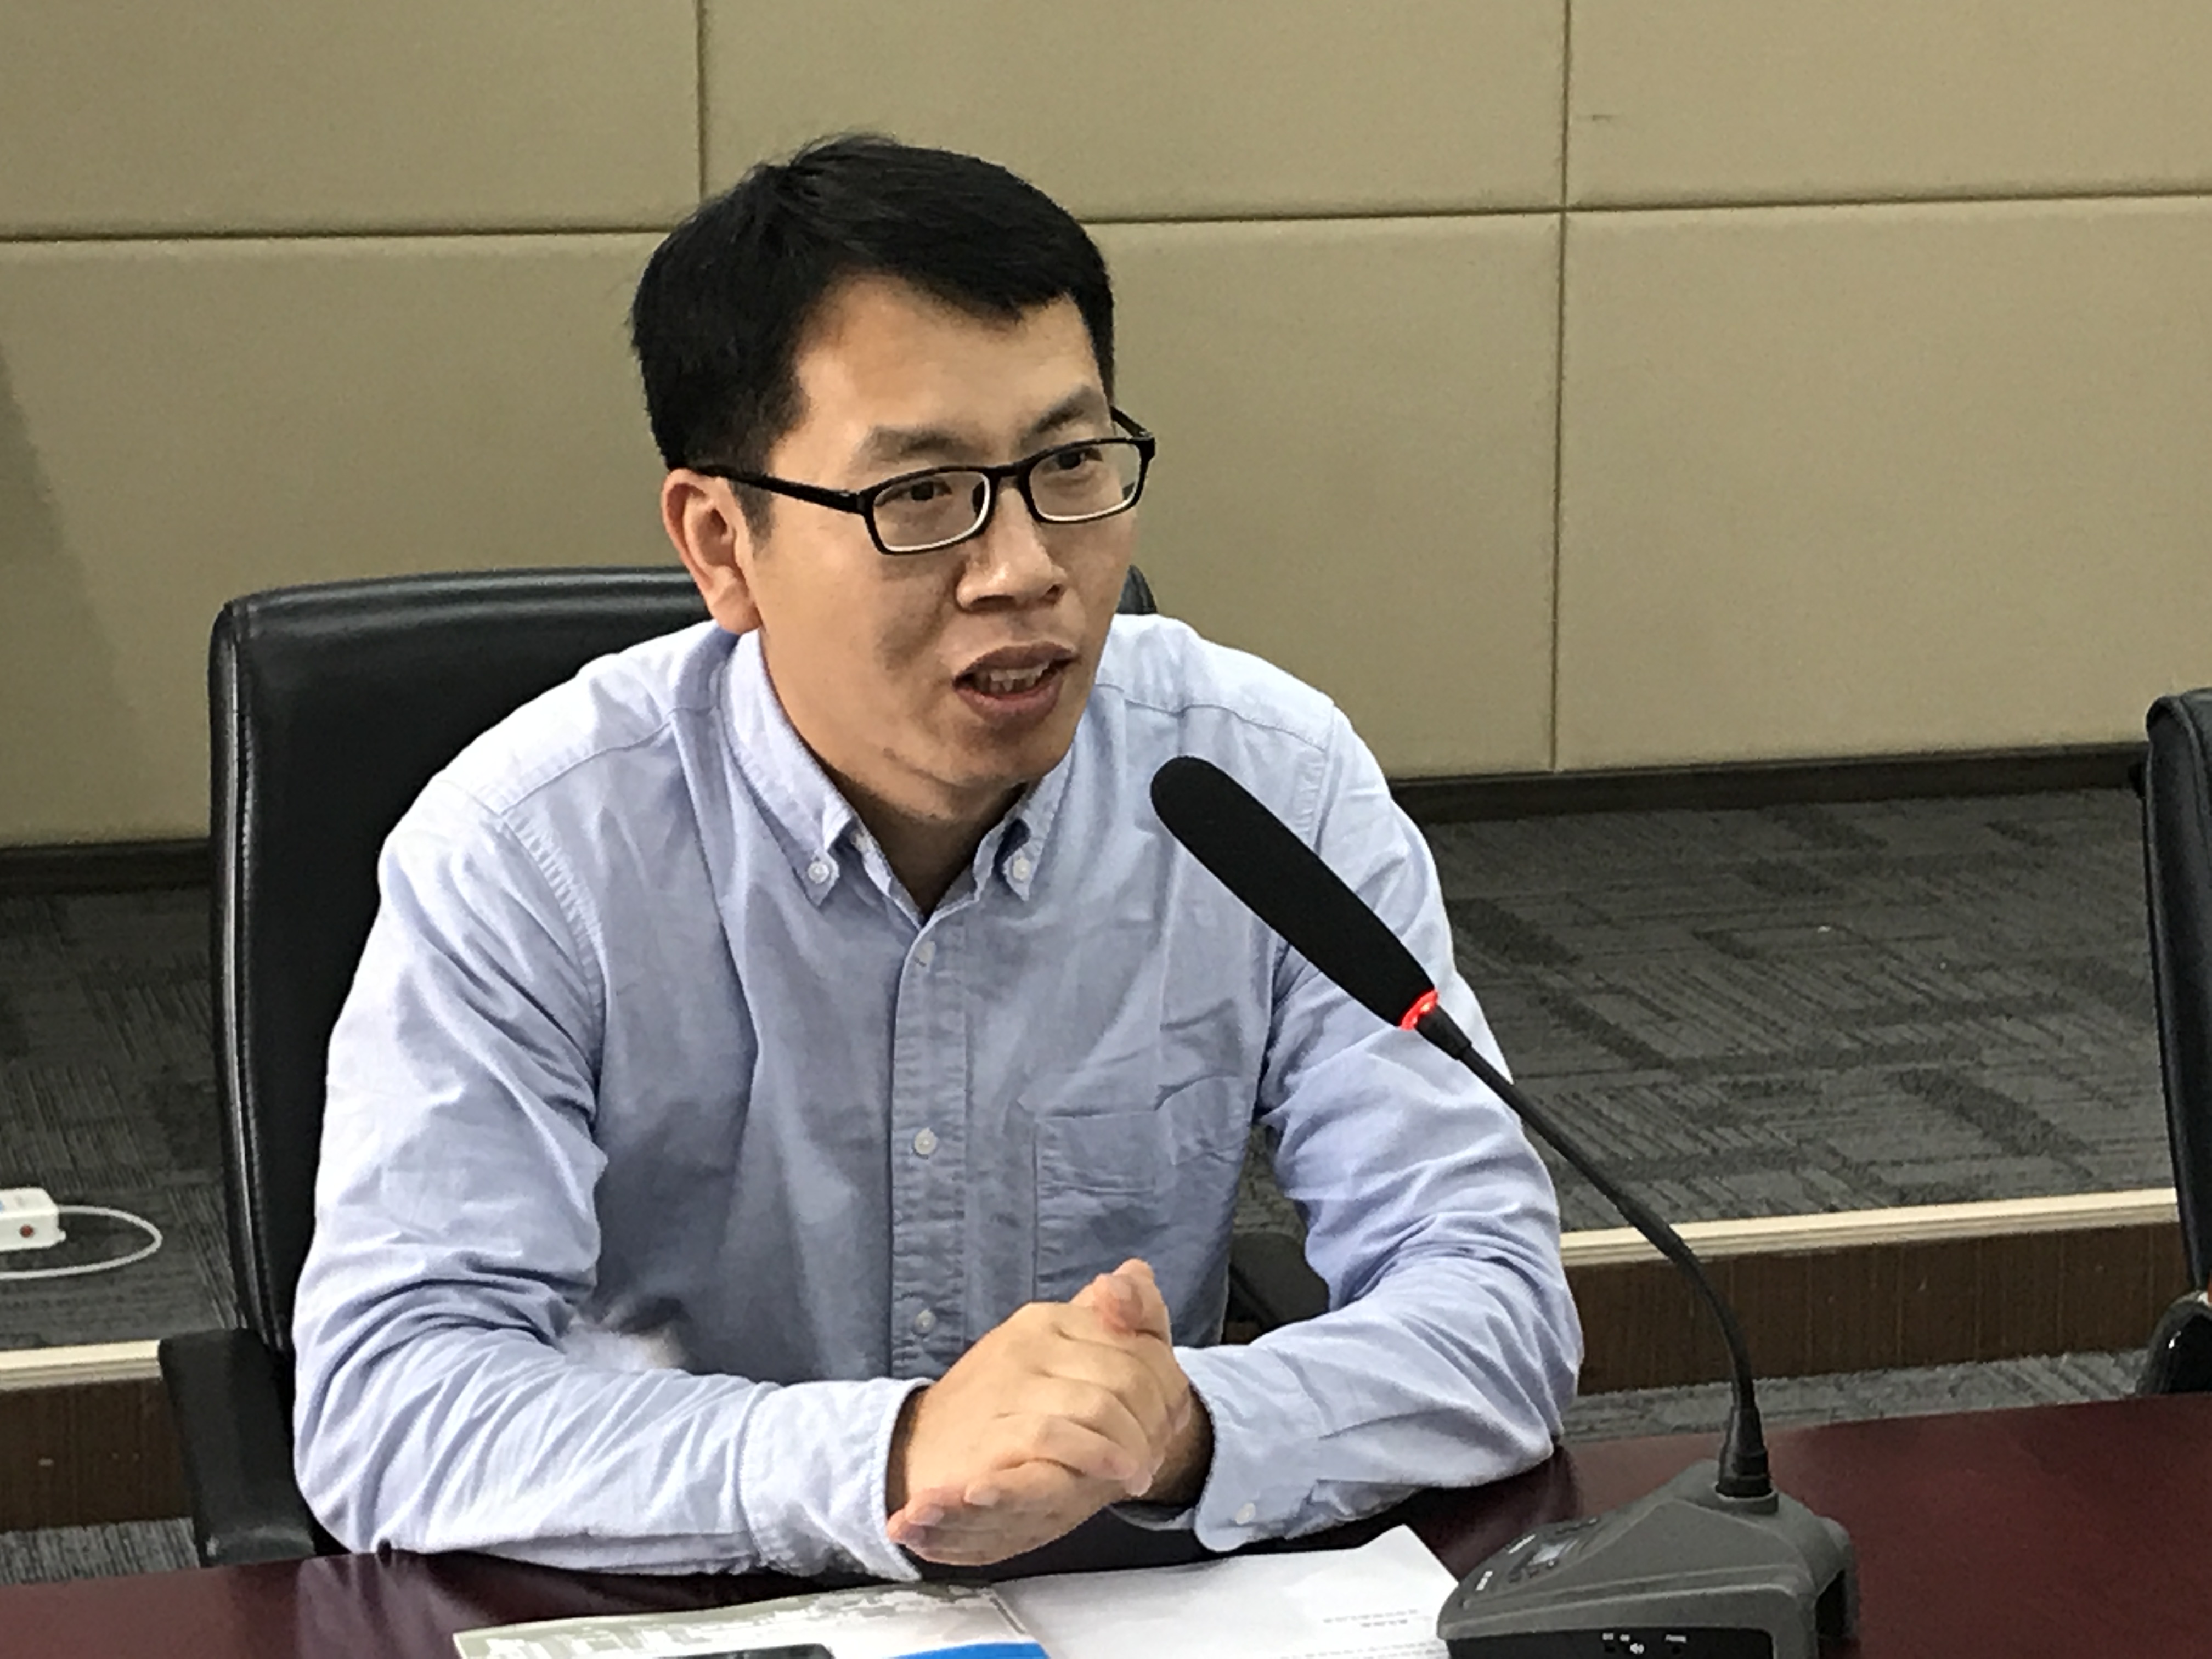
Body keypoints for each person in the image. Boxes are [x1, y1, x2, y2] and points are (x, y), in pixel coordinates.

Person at [290, 134, 1581, 1580]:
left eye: (1070, 465)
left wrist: (1189, 1426)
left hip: (1116, 1596)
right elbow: (390, 1405)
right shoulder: (531, 850)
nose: (1025, 567)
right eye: (920, 495)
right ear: (722, 543)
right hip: (685, 1597)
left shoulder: (1264, 782)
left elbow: (1496, 1303)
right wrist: (894, 1454)